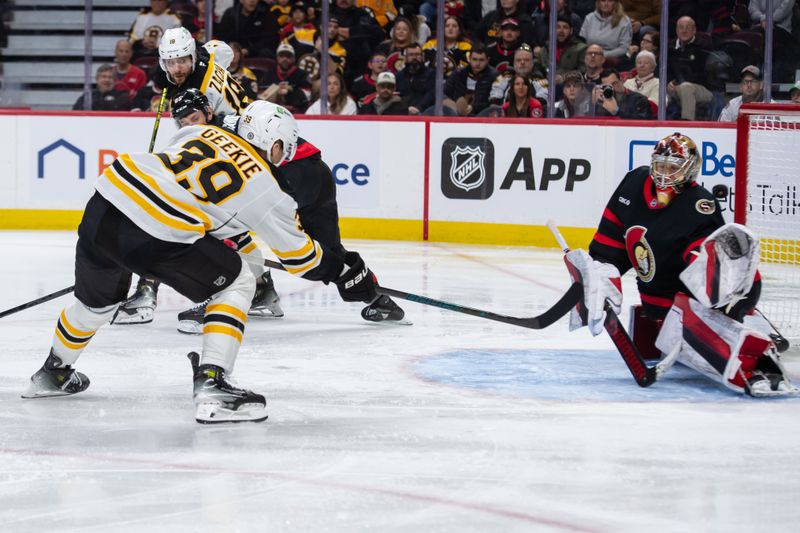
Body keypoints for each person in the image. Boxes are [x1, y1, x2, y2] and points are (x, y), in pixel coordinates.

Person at [21, 101, 392, 423]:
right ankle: (213, 384)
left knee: (95, 304)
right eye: (283, 149)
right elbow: (300, 258)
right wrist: (344, 271)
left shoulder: (198, 131)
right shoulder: (269, 187)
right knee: (241, 280)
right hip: (159, 230)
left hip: (107, 202)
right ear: (274, 144)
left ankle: (52, 373)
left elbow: (192, 191)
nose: (283, 157)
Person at [566, 131, 797, 397]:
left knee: (722, 307)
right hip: (656, 310)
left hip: (687, 308)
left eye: (673, 168)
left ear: (689, 171)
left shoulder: (699, 206)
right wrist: (601, 275)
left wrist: (723, 299)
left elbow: (706, 272)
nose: (664, 174)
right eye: (661, 165)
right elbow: (609, 246)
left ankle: (760, 362)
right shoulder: (632, 184)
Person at [154, 27, 250, 117]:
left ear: (192, 58)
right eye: (170, 63)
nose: (177, 69)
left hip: (234, 125)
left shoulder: (197, 94)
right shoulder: (209, 54)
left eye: (182, 61)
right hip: (245, 113)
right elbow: (226, 50)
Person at [666, 16, 712, 121]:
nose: (684, 30)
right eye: (681, 27)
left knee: (686, 87)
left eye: (688, 27)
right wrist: (668, 83)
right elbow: (661, 69)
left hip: (701, 89)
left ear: (694, 30)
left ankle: (686, 124)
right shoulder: (668, 47)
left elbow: (704, 74)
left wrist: (679, 82)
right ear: (676, 30)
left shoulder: (704, 46)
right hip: (674, 88)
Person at [444, 43, 498, 116]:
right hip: (457, 116)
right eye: (474, 59)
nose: (477, 63)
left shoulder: (494, 76)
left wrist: (474, 108)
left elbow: (495, 102)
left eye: (481, 60)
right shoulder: (458, 73)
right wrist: (453, 106)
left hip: (483, 117)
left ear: (488, 60)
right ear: (469, 58)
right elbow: (443, 93)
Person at [259, 43, 311, 113]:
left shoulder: (302, 75)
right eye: (282, 56)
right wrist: (276, 93)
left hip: (296, 114)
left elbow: (307, 96)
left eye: (288, 56)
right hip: (272, 113)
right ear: (277, 58)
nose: (285, 59)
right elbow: (261, 98)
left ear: (294, 58)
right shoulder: (268, 75)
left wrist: (288, 92)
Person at [533, 15, 587, 81]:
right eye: (558, 27)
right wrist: (540, 78)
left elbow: (583, 70)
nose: (561, 31)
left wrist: (564, 78)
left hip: (571, 85)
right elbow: (537, 66)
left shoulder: (581, 48)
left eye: (565, 27)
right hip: (546, 86)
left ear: (571, 31)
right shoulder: (545, 49)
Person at [394, 43, 436, 115]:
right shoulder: (398, 76)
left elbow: (431, 94)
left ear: (422, 56)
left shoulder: (431, 74)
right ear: (405, 58)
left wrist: (418, 108)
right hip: (402, 112)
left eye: (417, 54)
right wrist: (405, 109)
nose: (414, 57)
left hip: (425, 112)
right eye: (411, 55)